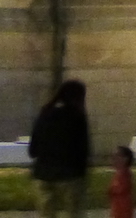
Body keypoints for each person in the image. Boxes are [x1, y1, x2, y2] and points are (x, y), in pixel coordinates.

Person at [29, 79, 90, 218]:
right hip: (69, 174)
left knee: (46, 214)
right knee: (74, 213)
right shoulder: (77, 117)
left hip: (42, 174)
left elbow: (33, 149)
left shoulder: (45, 113)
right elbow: (83, 149)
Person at [108, 146, 135, 218]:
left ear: (125, 159)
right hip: (117, 207)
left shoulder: (125, 174)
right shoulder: (118, 173)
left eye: (117, 155)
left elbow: (121, 188)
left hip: (123, 208)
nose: (114, 158)